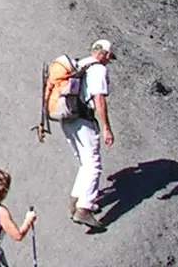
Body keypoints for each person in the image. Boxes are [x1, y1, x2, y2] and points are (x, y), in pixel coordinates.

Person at [61, 39, 116, 229]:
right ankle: (83, 210)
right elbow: (99, 99)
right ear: (105, 54)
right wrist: (106, 127)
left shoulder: (79, 64)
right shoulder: (98, 69)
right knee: (93, 164)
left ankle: (74, 203)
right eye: (109, 56)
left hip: (66, 118)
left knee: (85, 163)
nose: (109, 61)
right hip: (83, 119)